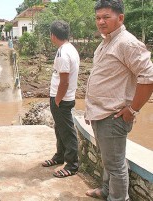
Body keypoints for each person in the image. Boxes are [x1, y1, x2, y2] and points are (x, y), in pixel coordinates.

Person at [85, 0, 153, 200]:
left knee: (115, 166)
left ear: (120, 17)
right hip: (101, 113)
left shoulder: (127, 42)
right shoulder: (107, 41)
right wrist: (90, 110)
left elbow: (148, 79)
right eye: (98, 18)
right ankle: (106, 191)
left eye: (106, 17)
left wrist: (132, 110)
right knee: (109, 160)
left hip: (113, 117)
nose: (101, 22)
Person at [41, 20, 80, 178]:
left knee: (67, 131)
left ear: (52, 35)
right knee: (60, 128)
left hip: (62, 100)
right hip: (62, 98)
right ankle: (60, 156)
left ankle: (72, 165)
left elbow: (64, 82)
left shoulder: (63, 53)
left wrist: (57, 100)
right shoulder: (69, 48)